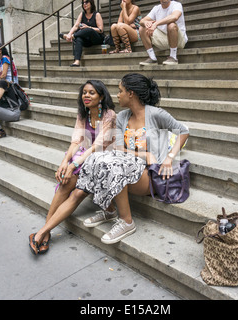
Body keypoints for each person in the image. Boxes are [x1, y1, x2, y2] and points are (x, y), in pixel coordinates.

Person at [77, 73, 189, 244]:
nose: (117, 95)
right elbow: (120, 149)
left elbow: (183, 131)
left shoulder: (156, 114)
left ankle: (127, 221)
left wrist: (169, 157)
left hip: (151, 175)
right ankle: (109, 210)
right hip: (131, 167)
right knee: (97, 158)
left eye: (120, 90)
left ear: (131, 93)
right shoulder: (122, 116)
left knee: (116, 165)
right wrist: (144, 154)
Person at [29, 80, 117, 255]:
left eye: (91, 92)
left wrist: (74, 164)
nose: (86, 95)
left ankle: (41, 233)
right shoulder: (83, 113)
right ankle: (45, 233)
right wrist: (65, 162)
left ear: (101, 96)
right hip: (84, 156)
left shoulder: (109, 115)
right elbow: (77, 141)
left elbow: (97, 146)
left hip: (102, 160)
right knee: (64, 184)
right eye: (84, 92)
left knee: (75, 191)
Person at [139, 0, 188, 66]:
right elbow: (142, 21)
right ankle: (152, 58)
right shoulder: (156, 8)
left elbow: (174, 17)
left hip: (179, 41)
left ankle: (173, 57)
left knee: (171, 25)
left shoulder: (176, 5)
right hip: (164, 40)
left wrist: (156, 23)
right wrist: (145, 22)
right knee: (142, 28)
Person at [60, 0, 105, 67]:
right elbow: (75, 26)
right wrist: (69, 33)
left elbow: (100, 30)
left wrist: (88, 27)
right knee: (79, 38)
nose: (84, 4)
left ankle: (73, 36)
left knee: (89, 30)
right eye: (83, 3)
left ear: (91, 3)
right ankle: (77, 61)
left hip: (97, 39)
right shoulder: (82, 14)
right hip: (87, 41)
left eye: (86, 2)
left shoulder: (97, 14)